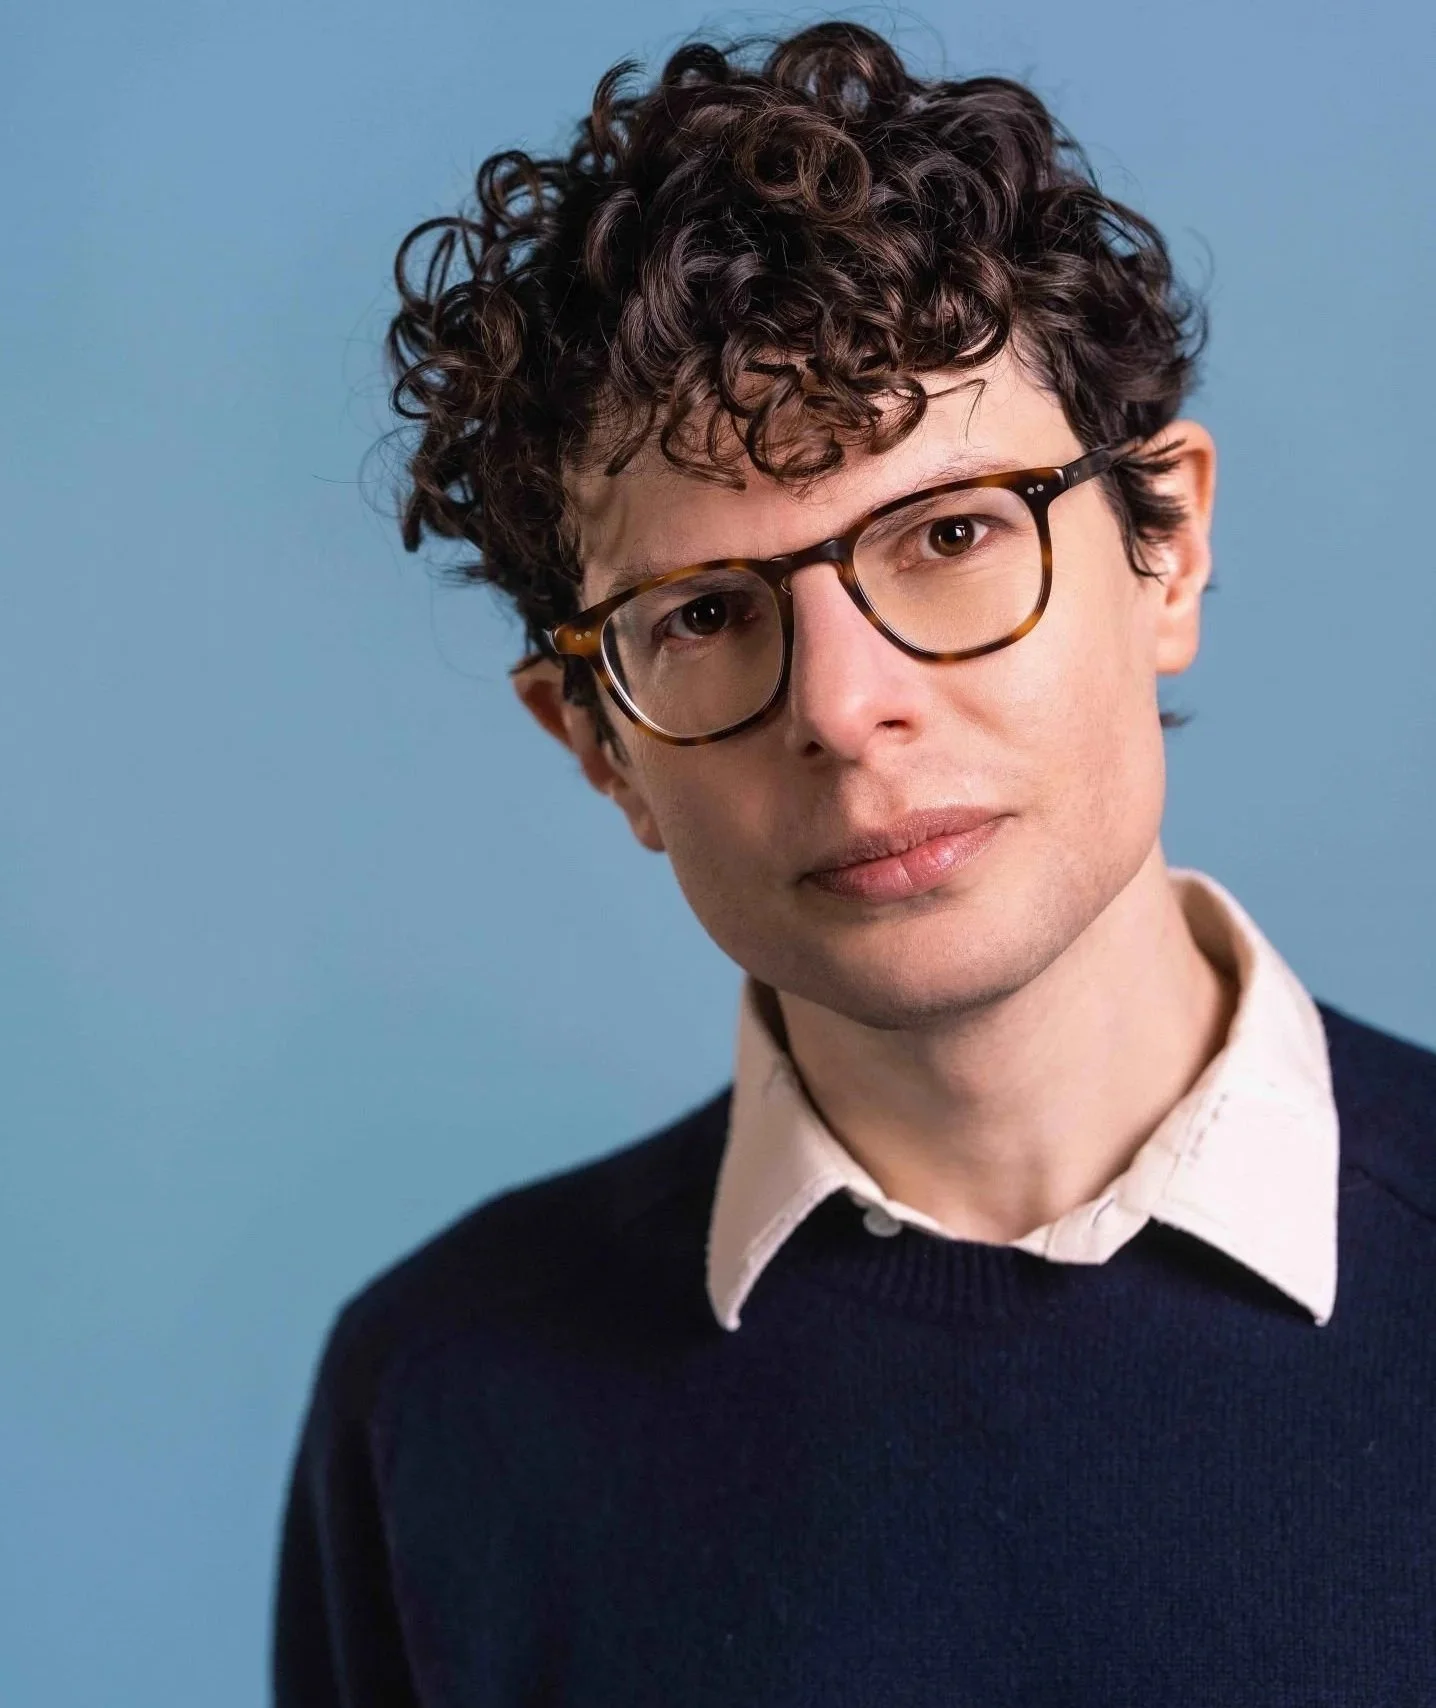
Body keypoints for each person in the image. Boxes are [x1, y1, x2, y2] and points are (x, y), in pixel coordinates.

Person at [273, 21, 1436, 1704]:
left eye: (952, 536)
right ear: (597, 741)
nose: (844, 706)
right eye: (707, 618)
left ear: (1164, 546)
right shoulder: (442, 1402)